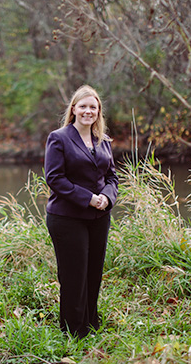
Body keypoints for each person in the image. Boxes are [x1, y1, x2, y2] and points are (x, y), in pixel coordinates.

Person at [44, 84, 119, 339]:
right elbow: (55, 178)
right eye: (83, 106)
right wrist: (89, 199)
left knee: (93, 271)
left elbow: (112, 177)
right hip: (67, 217)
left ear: (99, 112)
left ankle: (91, 324)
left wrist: (106, 199)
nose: (88, 111)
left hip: (99, 216)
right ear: (74, 109)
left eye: (93, 107)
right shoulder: (59, 138)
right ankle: (73, 332)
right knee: (74, 274)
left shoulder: (103, 140)